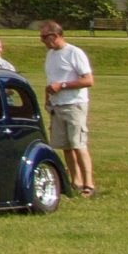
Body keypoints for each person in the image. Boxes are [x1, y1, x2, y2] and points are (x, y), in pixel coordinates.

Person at [39, 21, 96, 197]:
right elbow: (50, 81)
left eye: (44, 37)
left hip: (74, 104)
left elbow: (88, 80)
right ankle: (75, 181)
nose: (42, 41)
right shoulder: (50, 55)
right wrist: (48, 99)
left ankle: (89, 184)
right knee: (66, 146)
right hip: (57, 106)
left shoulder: (74, 53)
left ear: (55, 36)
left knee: (78, 144)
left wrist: (62, 85)